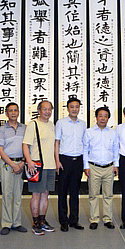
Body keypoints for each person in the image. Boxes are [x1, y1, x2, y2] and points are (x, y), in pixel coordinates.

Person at [23, 100, 58, 235]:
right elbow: (25, 145)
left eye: (50, 109)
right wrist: (29, 161)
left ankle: (43, 221)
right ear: (39, 111)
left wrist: (56, 161)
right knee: (36, 195)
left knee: (45, 195)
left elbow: (54, 145)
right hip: (37, 166)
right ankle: (35, 222)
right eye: (45, 109)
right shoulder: (33, 124)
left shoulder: (51, 125)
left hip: (50, 165)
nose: (47, 112)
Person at [83, 106, 119, 230]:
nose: (103, 118)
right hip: (94, 167)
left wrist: (116, 165)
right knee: (93, 195)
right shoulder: (89, 132)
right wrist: (86, 166)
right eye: (100, 116)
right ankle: (94, 219)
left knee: (108, 195)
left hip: (109, 167)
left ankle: (108, 219)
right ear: (96, 117)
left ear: (108, 118)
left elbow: (116, 150)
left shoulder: (113, 132)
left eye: (105, 116)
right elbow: (85, 150)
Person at [54, 96, 86, 232]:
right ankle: (63, 221)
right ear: (67, 108)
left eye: (77, 107)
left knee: (75, 192)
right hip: (64, 160)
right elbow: (57, 142)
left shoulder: (83, 124)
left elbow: (84, 144)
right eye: (72, 107)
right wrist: (57, 161)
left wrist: (84, 163)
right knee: (62, 192)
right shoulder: (61, 123)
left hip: (78, 160)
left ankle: (74, 220)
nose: (74, 109)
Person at [0, 102, 28, 235]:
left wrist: (22, 163)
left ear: (19, 112)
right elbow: (0, 150)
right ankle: (6, 223)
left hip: (21, 163)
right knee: (7, 194)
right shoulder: (1, 129)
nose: (13, 113)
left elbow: (28, 147)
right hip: (7, 164)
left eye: (15, 110)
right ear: (6, 113)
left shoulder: (25, 128)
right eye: (11, 110)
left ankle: (17, 223)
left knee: (18, 194)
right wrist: (13, 164)